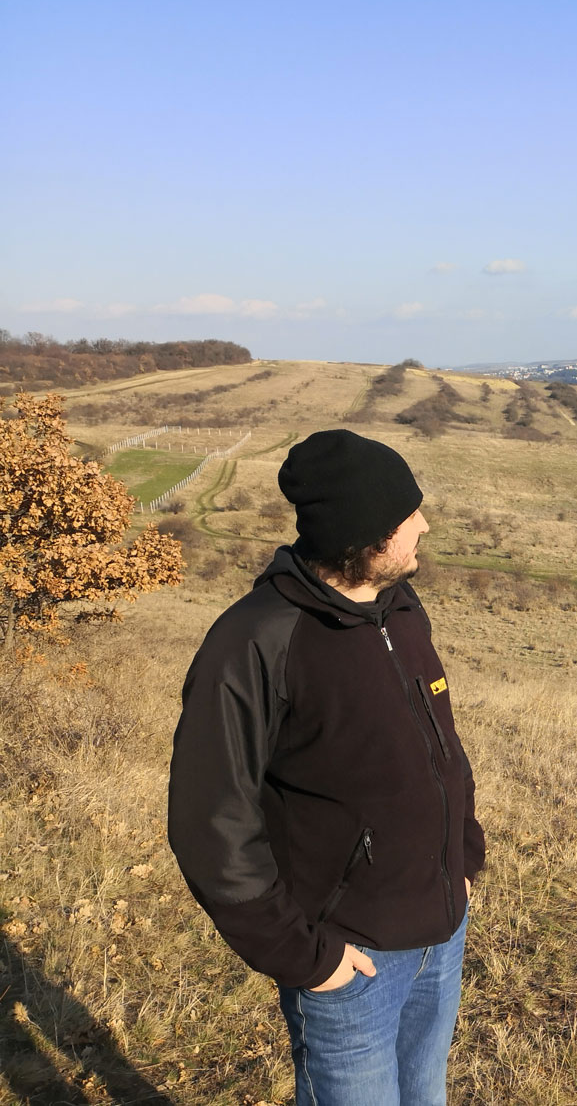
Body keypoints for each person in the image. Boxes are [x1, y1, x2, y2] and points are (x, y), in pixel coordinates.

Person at [168, 429, 485, 1106]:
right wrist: (305, 956)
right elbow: (211, 823)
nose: (423, 525)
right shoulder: (254, 640)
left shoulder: (401, 610)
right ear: (363, 534)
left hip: (440, 934)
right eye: (407, 517)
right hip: (351, 961)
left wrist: (463, 856)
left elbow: (441, 748)